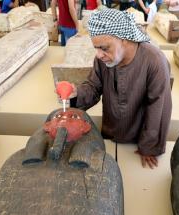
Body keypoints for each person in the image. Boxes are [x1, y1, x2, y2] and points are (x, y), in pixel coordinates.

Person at [69, 9, 172, 169]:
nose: (98, 55)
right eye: (96, 48)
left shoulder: (155, 61)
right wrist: (76, 93)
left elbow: (159, 107)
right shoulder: (104, 59)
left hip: (138, 140)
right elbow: (93, 86)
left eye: (104, 48)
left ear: (124, 39)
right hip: (111, 132)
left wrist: (148, 147)